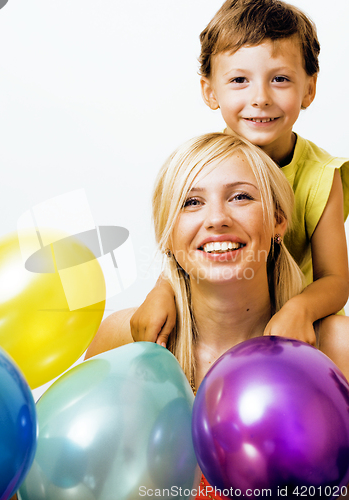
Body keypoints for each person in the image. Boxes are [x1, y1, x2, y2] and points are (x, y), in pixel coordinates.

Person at [86, 133, 348, 499]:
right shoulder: (123, 340)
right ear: (167, 235)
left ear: (277, 222)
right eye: (192, 202)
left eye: (240, 196)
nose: (217, 219)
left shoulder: (336, 347)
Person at [130, 0, 349, 352]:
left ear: (309, 88)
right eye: (239, 80)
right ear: (210, 91)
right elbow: (185, 246)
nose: (260, 98)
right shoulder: (202, 165)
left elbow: (335, 279)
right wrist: (162, 289)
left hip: (294, 330)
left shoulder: (322, 174)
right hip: (219, 324)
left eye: (279, 79)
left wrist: (300, 309)